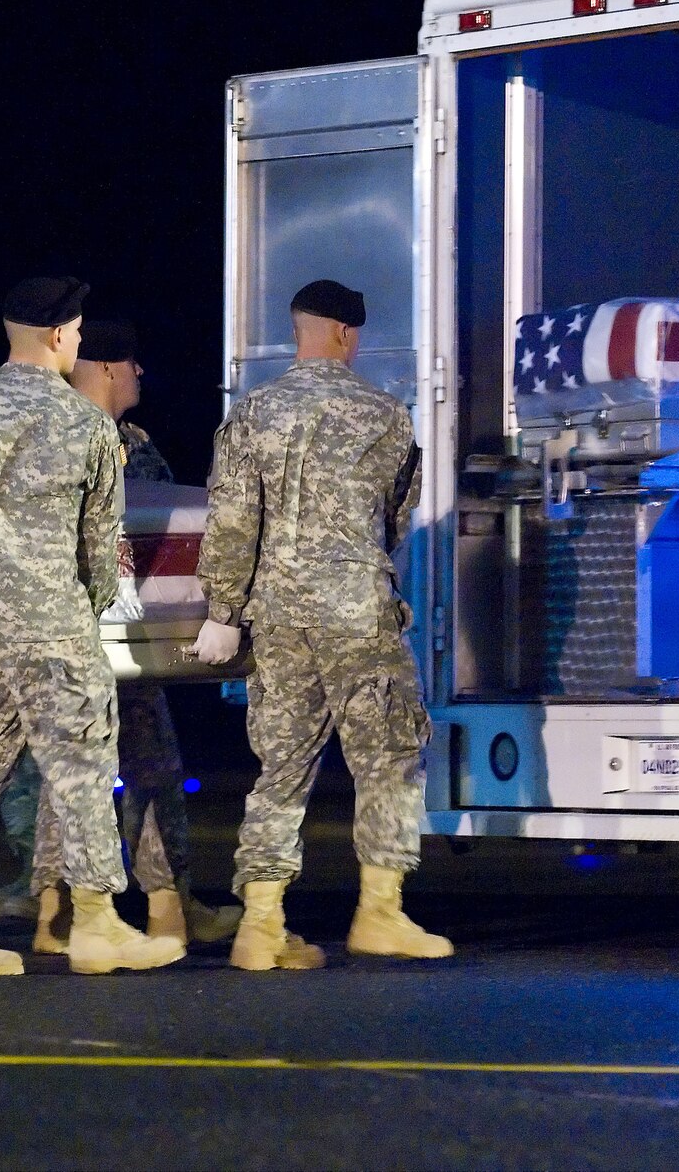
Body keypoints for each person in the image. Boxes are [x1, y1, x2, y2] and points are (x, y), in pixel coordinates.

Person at [0, 277, 184, 976]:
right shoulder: (86, 423)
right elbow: (99, 544)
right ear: (57, 335)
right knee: (82, 770)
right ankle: (98, 925)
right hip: (52, 624)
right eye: (75, 333)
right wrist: (90, 603)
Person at [190, 278, 452, 967]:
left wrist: (223, 609)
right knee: (389, 757)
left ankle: (261, 925)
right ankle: (380, 914)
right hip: (355, 611)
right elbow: (396, 517)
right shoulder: (384, 413)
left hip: (277, 617)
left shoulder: (252, 413)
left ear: (297, 330)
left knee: (280, 766)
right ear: (345, 333)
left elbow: (230, 521)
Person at [24, 319, 242, 953]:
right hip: (82, 630)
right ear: (106, 369)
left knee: (83, 770)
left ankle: (68, 913)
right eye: (130, 362)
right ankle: (152, 909)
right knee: (135, 767)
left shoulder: (126, 442)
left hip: (124, 633)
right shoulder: (64, 436)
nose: (139, 372)